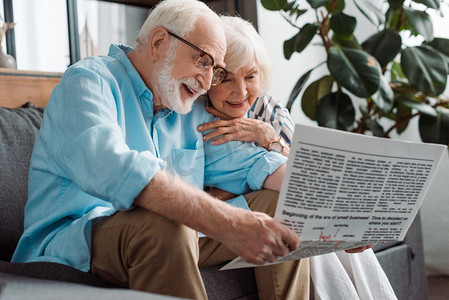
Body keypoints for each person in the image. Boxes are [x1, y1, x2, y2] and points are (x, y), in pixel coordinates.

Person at [11, 1, 312, 299]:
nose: (208, 83)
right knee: (167, 220)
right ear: (158, 42)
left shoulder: (187, 106)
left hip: (174, 238)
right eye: (203, 61)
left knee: (277, 205)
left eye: (215, 70)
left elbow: (256, 164)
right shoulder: (89, 80)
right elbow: (114, 169)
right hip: (76, 242)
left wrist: (345, 220)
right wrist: (228, 221)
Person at [198, 15, 397, 300]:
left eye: (251, 76)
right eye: (226, 77)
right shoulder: (198, 121)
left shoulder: (269, 110)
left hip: (289, 201)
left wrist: (269, 138)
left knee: (304, 219)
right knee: (296, 219)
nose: (241, 91)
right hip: (249, 217)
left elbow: (302, 173)